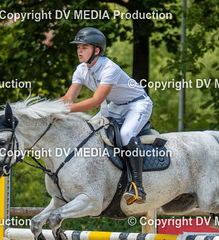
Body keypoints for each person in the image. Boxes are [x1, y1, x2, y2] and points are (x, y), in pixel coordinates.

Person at [60, 27, 153, 205]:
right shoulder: (81, 69)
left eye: (84, 47)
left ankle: (137, 187)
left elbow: (96, 101)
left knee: (125, 135)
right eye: (78, 47)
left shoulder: (110, 68)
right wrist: (48, 110)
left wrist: (66, 110)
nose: (79, 51)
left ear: (96, 50)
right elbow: (68, 98)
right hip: (116, 105)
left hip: (137, 104)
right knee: (89, 131)